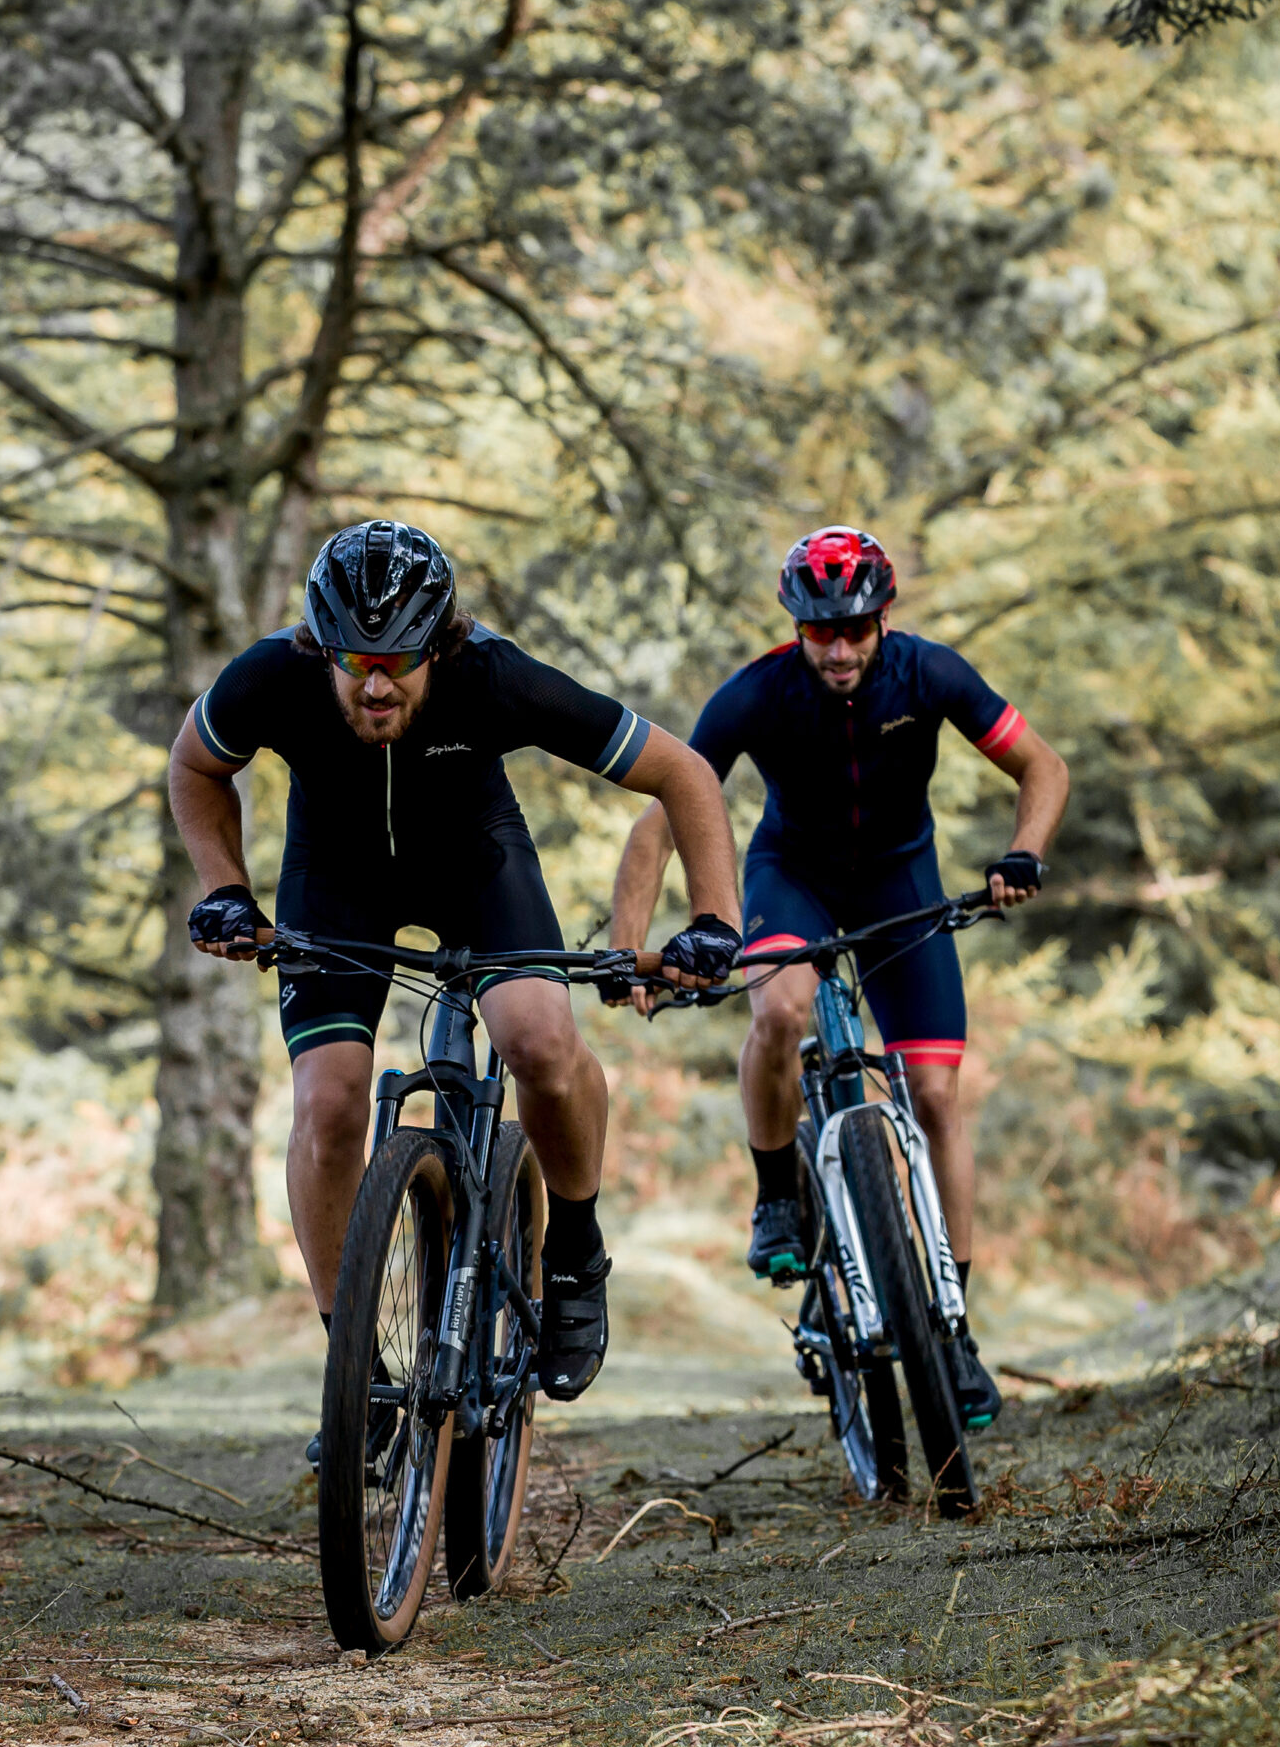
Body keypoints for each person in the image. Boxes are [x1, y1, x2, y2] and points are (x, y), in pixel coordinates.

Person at [168, 519, 744, 1411]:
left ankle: (576, 1253)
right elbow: (195, 765)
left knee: (539, 1041)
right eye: (354, 660)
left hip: (477, 866)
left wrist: (715, 918)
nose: (375, 682)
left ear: (440, 642)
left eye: (398, 660)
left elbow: (684, 773)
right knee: (327, 1102)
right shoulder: (271, 679)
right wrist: (227, 890)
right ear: (321, 643)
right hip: (336, 878)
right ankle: (351, 1368)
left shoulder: (494, 678)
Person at [606, 526, 1069, 1428]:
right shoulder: (755, 694)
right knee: (779, 1010)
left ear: (882, 617)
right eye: (823, 632)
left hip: (902, 882)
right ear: (797, 627)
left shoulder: (931, 674)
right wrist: (630, 944)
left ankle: (953, 1330)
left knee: (935, 1096)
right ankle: (778, 1197)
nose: (842, 648)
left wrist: (1024, 850)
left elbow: (1040, 766)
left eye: (857, 628)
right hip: (796, 880)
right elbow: (668, 811)